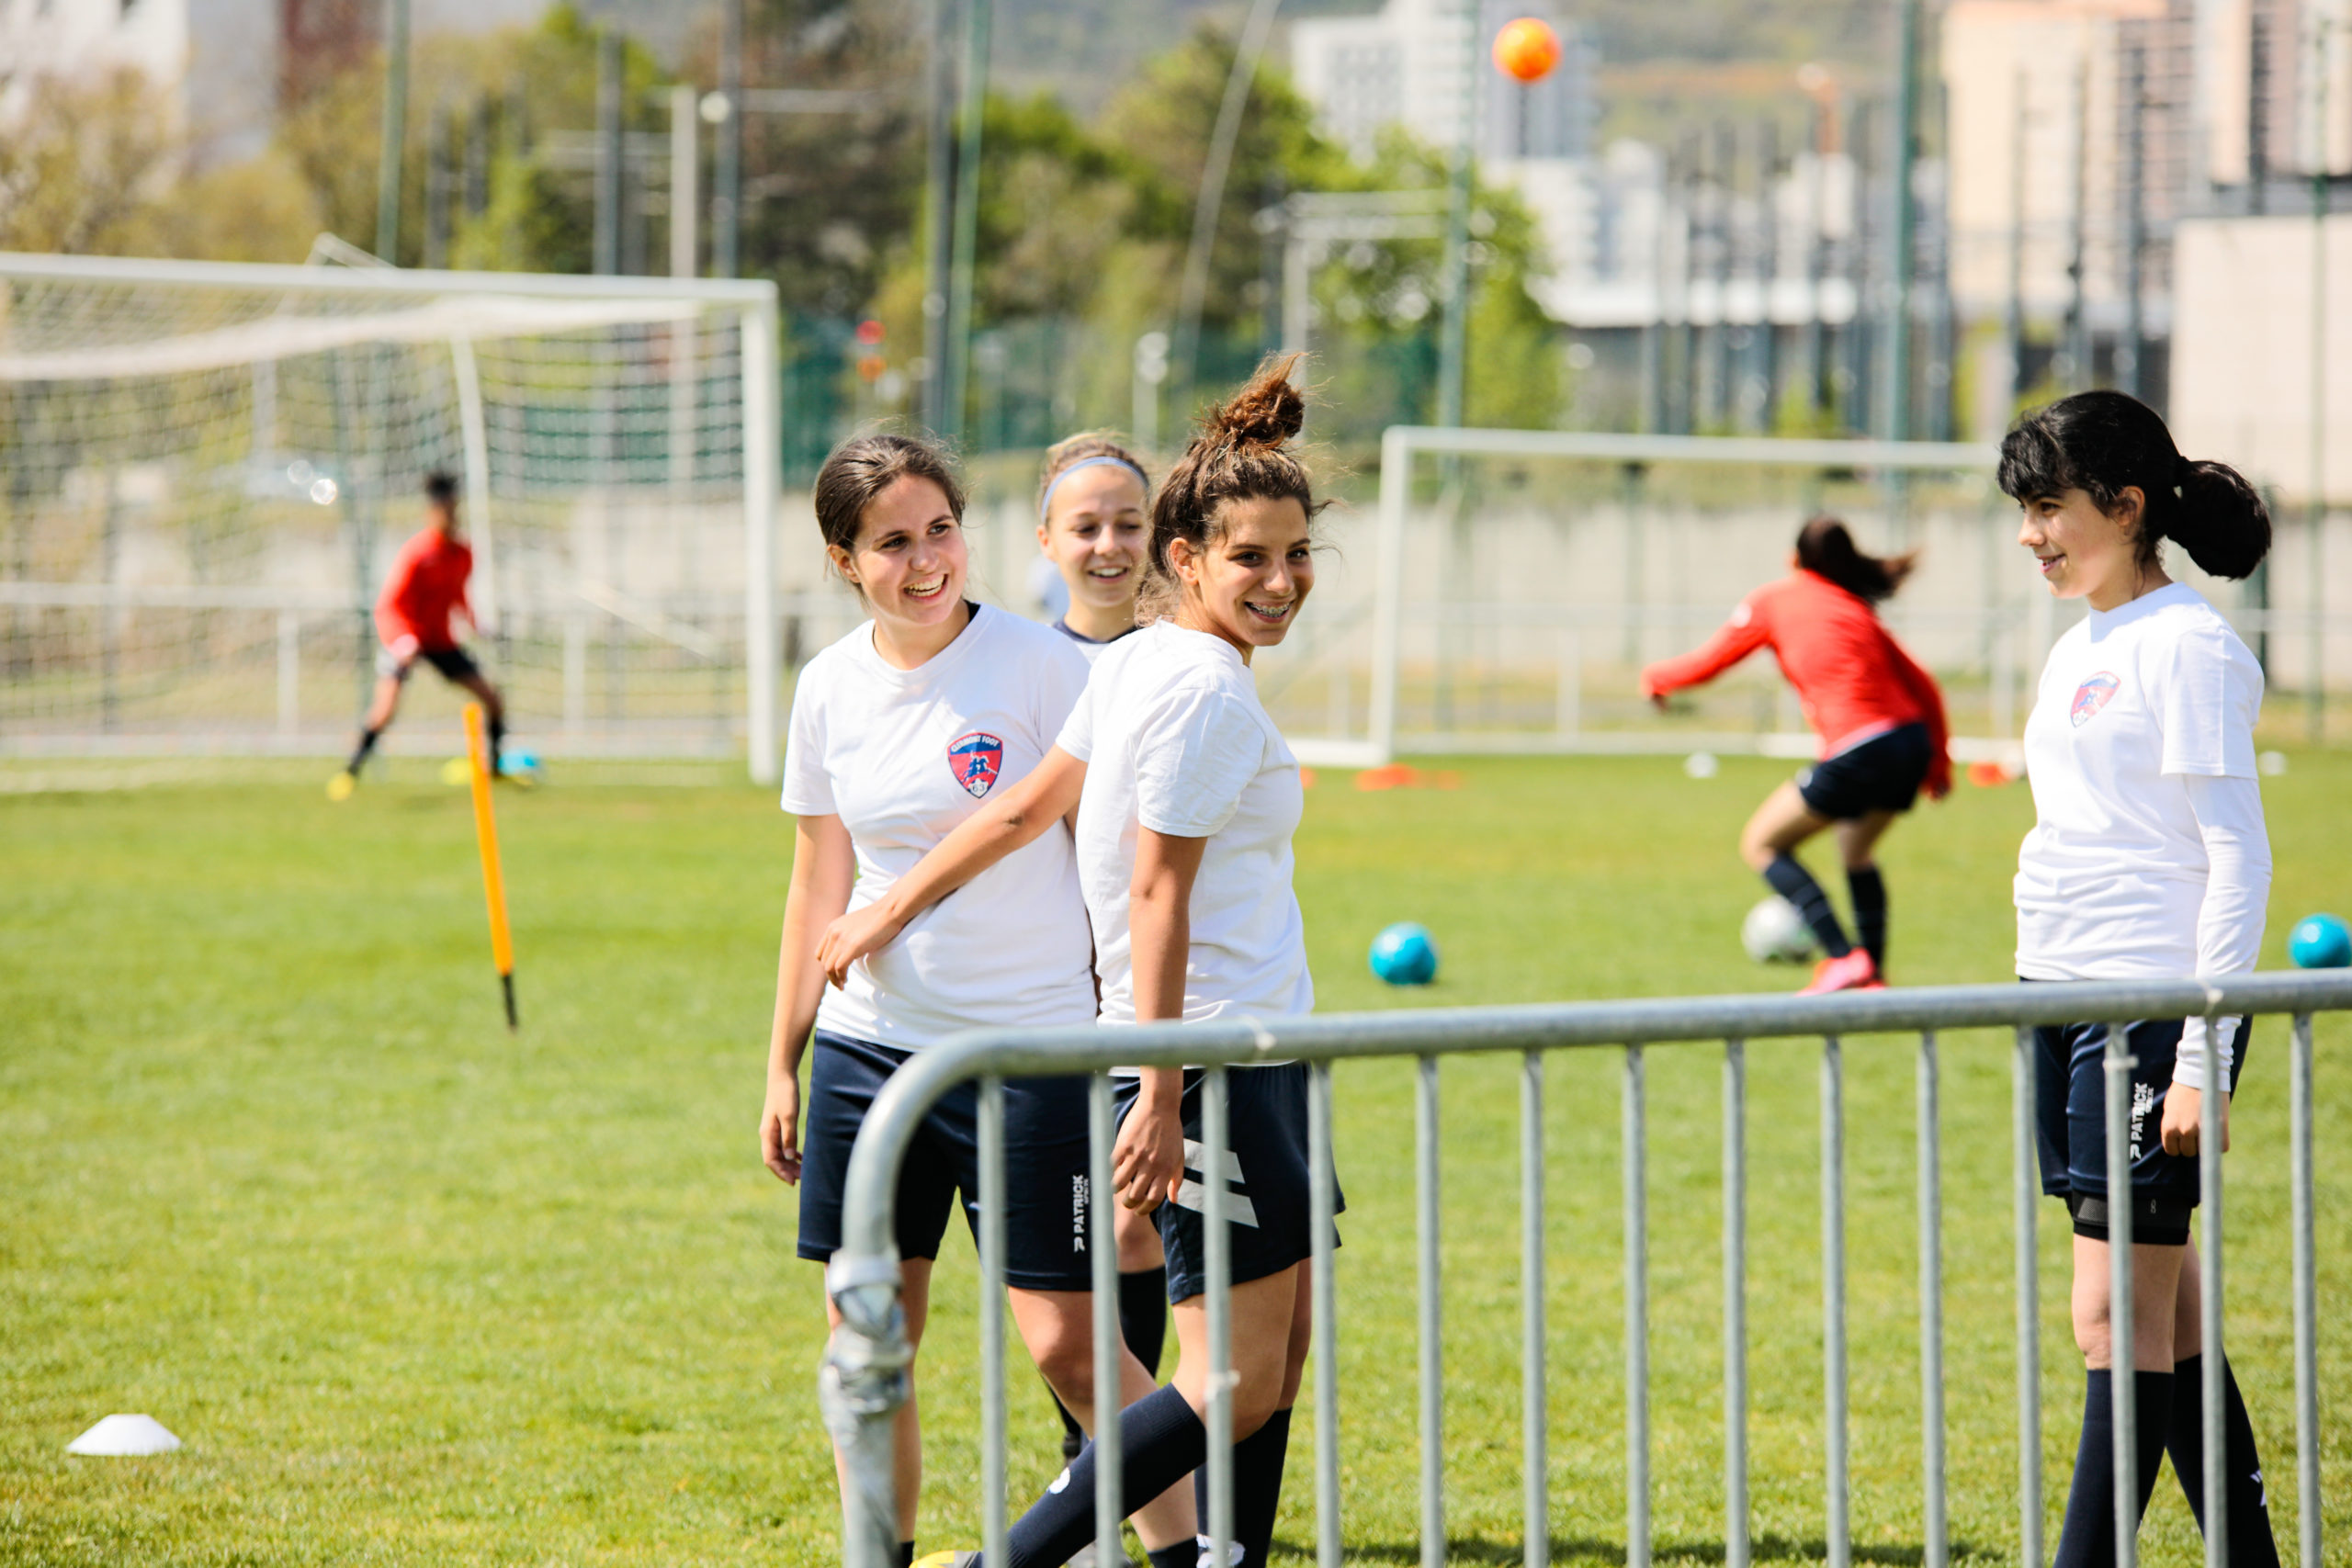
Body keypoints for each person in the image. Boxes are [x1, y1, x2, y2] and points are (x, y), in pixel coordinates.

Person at [820, 356, 1333, 1568]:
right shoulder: (1198, 687)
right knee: (1230, 1377)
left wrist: (887, 904)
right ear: (1188, 557)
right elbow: (1155, 888)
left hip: (1249, 1046)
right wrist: (1157, 1085)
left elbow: (1017, 813)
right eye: (1249, 556)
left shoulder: (1144, 655)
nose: (1279, 580)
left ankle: (1223, 1559)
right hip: (1208, 1054)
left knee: (1269, 1357)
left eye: (1297, 554)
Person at [762, 434, 1194, 1568]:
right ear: (843, 559)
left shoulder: (1046, 670)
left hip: (1026, 1058)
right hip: (866, 1055)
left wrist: (1131, 1047)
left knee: (1070, 1349)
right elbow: (819, 881)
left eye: (939, 530)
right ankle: (884, 1556)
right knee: (872, 1338)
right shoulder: (825, 688)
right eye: (892, 543)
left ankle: (1191, 1553)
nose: (924, 562)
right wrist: (782, 1061)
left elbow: (1111, 871)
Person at [2000, 389, 2279, 1568]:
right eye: (2021, 512)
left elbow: (2238, 855)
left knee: (2110, 1317)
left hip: (2151, 1011)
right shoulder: (2080, 642)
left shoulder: (2193, 646)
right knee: (2169, 1316)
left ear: (2125, 507)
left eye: (2050, 508)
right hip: (2054, 999)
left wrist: (2201, 1055)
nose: (2030, 535)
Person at [1029, 433, 1176, 1479]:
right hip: (1044, 1002)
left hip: (1147, 996)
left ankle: (1108, 1475)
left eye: (1129, 523)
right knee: (1071, 1259)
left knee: (1133, 1237)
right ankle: (1093, 1471)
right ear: (1047, 542)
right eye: (1086, 527)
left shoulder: (1184, 655)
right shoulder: (1026, 668)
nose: (1110, 544)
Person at [1641, 516, 1952, 993]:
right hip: (1909, 742)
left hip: (1861, 745)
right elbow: (1922, 685)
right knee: (1856, 851)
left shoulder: (1774, 599)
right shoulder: (1855, 609)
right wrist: (1938, 763)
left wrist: (1656, 678)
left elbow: (1712, 661)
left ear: (1794, 561)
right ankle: (1872, 975)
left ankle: (1843, 957)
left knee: (1762, 844)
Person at [330, 470, 508, 799]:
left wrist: (476, 624)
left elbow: (458, 596)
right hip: (406, 640)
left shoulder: (463, 554)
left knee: (492, 698)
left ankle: (495, 768)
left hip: (440, 642)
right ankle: (350, 772)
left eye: (454, 508)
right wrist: (402, 641)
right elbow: (388, 606)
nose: (450, 515)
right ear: (432, 512)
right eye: (444, 509)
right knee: (385, 710)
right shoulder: (416, 553)